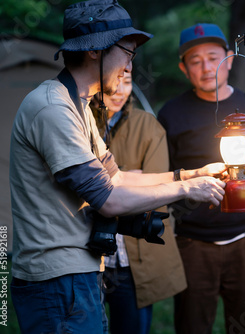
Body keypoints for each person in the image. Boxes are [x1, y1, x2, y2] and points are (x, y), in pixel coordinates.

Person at [9, 2, 225, 333]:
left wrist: (191, 174)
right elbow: (108, 199)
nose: (128, 67)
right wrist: (187, 190)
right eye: (128, 53)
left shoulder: (78, 105)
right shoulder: (53, 108)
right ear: (96, 50)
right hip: (56, 280)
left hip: (74, 274)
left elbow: (118, 178)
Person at [157, 23, 245, 334]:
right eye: (196, 60)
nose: (206, 68)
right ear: (183, 67)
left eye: (213, 57)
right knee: (192, 325)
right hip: (193, 242)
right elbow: (163, 175)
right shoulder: (172, 114)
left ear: (230, 58)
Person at [90, 71, 186, 334]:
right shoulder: (78, 122)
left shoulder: (148, 126)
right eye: (114, 82)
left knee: (132, 326)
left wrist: (105, 180)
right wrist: (128, 177)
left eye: (128, 81)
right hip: (86, 252)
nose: (121, 90)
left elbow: (156, 187)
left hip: (131, 256)